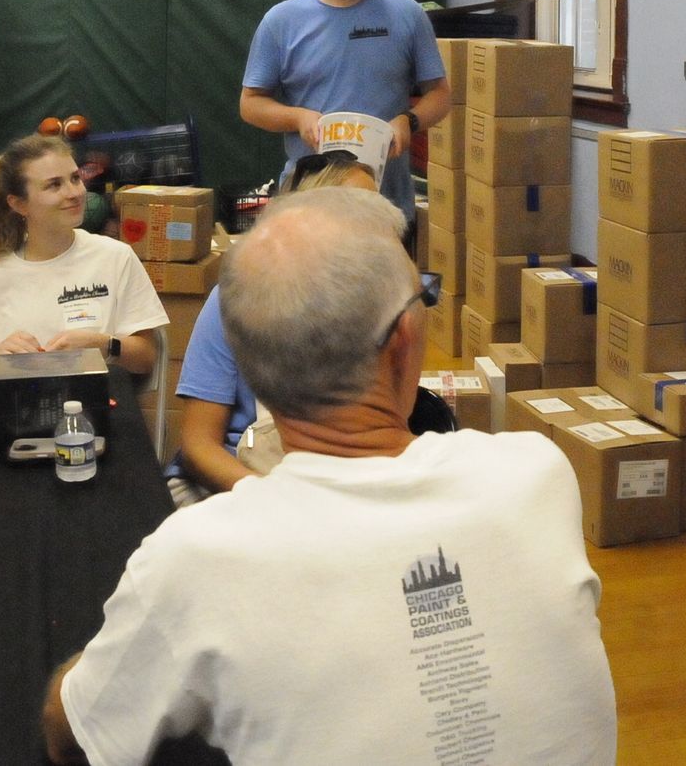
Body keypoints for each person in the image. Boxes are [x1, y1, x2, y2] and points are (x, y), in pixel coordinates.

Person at [40, 187, 617, 766]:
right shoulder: (535, 474)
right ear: (404, 341)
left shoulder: (196, 559)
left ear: (246, 364)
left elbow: (71, 734)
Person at [169, 150, 379, 502]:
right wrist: (270, 498)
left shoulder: (384, 304)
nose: (378, 225)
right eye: (361, 211)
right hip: (236, 480)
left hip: (331, 487)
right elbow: (198, 445)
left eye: (380, 210)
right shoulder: (234, 299)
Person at [239, 0, 452, 228]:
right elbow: (250, 104)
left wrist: (407, 122)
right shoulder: (281, 21)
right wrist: (298, 118)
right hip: (308, 207)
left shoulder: (407, 14)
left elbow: (440, 95)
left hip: (387, 207)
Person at [0, 134, 169, 375]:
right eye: (54, 185)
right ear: (19, 204)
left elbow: (147, 358)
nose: (74, 193)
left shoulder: (116, 257)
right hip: (18, 407)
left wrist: (103, 344)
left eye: (75, 178)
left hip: (99, 406)